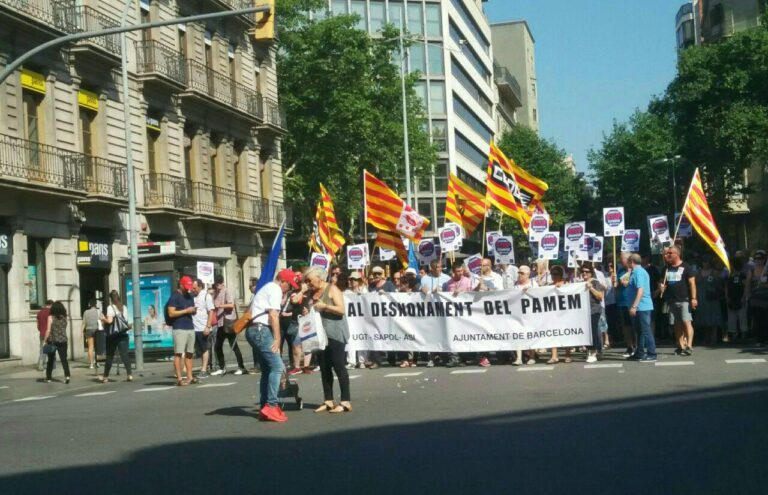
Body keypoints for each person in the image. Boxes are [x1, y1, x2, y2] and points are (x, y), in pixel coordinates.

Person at [245, 269, 296, 422]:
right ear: (283, 281)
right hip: (261, 330)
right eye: (290, 285)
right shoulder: (275, 289)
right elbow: (274, 314)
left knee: (267, 370)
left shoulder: (266, 287)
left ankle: (264, 406)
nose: (290, 288)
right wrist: (277, 338)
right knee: (277, 366)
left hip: (253, 330)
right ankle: (272, 405)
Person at [304, 267, 352, 414]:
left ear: (319, 277)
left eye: (309, 280)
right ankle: (328, 400)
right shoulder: (312, 292)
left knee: (338, 366)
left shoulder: (332, 289)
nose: (308, 283)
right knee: (324, 367)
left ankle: (345, 401)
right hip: (320, 335)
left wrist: (325, 306)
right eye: (306, 281)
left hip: (335, 333)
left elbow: (341, 309)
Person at [660, 245, 697, 355]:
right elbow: (662, 282)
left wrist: (693, 298)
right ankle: (680, 345)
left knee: (686, 321)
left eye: (670, 253)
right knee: (676, 324)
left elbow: (692, 283)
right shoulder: (666, 269)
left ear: (676, 254)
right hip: (671, 300)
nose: (667, 255)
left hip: (684, 299)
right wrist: (661, 287)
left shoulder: (686, 267)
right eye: (667, 253)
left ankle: (689, 345)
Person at [211, 275, 247, 376]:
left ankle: (241, 367)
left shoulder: (227, 291)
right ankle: (222, 367)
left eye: (218, 284)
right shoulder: (216, 293)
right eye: (215, 285)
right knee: (218, 346)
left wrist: (220, 306)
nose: (217, 286)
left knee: (234, 345)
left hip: (229, 321)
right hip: (220, 322)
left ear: (222, 283)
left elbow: (231, 305)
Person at [441, 260, 474, 368]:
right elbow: (445, 296)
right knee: (453, 335)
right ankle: (455, 358)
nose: (460, 273)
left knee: (464, 336)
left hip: (465, 313)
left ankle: (465, 358)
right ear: (453, 272)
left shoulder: (468, 281)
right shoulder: (449, 283)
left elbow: (473, 295)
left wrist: (462, 292)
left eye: (461, 271)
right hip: (453, 315)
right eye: (457, 271)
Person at [167, 275, 197, 386]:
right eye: (186, 286)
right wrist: (186, 311)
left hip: (190, 326)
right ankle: (179, 378)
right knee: (178, 353)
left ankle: (190, 376)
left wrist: (193, 311)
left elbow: (191, 310)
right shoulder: (174, 296)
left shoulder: (190, 296)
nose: (188, 288)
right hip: (179, 327)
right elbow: (171, 313)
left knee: (190, 353)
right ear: (180, 284)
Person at [365, 266, 396, 368]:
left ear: (382, 274)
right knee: (375, 337)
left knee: (390, 337)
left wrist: (386, 294)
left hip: (388, 317)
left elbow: (396, 297)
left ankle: (392, 359)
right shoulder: (371, 286)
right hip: (375, 317)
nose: (377, 276)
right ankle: (376, 361)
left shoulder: (389, 284)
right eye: (375, 274)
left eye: (379, 273)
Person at [475, 257, 504, 366]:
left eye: (484, 265)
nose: (481, 267)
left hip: (494, 310)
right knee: (483, 333)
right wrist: (478, 286)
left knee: (496, 332)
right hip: (480, 310)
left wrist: (486, 289)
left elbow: (500, 292)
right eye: (480, 265)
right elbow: (470, 293)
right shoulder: (476, 277)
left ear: (490, 266)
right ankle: (484, 356)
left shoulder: (497, 277)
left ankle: (500, 355)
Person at [627, 254, 656, 362]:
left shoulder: (638, 272)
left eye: (628, 261)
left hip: (642, 306)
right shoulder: (637, 272)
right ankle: (640, 352)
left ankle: (652, 353)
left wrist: (634, 306)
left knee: (645, 330)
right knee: (639, 331)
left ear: (632, 261)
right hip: (640, 306)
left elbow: (640, 290)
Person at [99, 290, 133, 383]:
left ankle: (105, 377)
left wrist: (103, 319)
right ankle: (129, 374)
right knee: (124, 355)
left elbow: (109, 321)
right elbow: (126, 321)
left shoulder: (111, 307)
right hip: (123, 334)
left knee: (110, 356)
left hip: (113, 336)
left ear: (111, 299)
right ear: (118, 297)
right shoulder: (124, 307)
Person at [282, 272, 310, 376]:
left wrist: (309, 309)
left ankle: (306, 366)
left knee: (308, 345)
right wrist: (302, 291)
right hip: (296, 322)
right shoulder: (293, 292)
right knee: (296, 345)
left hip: (307, 321)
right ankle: (297, 366)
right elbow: (294, 300)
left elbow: (312, 303)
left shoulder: (309, 291)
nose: (298, 282)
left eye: (300, 280)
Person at [694, 258, 723, 345]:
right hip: (701, 298)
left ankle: (714, 338)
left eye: (707, 261)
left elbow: (720, 285)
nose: (705, 263)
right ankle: (705, 338)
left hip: (712, 298)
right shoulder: (697, 273)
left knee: (714, 318)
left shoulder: (715, 273)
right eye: (704, 261)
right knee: (703, 319)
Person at [513, 265, 538, 365]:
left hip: (531, 314)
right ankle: (519, 358)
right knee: (518, 334)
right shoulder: (515, 285)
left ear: (528, 274)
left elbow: (539, 296)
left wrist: (529, 292)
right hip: (518, 314)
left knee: (531, 334)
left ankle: (532, 356)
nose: (519, 275)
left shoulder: (533, 283)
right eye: (519, 272)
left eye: (522, 273)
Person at [547, 266, 572, 364]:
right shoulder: (549, 286)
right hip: (553, 313)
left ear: (561, 275)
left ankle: (568, 354)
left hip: (565, 313)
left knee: (566, 333)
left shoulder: (567, 284)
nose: (554, 276)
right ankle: (554, 356)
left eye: (556, 274)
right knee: (553, 333)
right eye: (552, 274)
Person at [191, 279, 215, 378]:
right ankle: (203, 367)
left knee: (204, 348)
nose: (193, 290)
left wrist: (208, 326)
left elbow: (211, 311)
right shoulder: (192, 296)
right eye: (192, 288)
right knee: (198, 349)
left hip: (203, 327)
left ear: (200, 286)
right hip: (193, 327)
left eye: (195, 288)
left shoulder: (206, 296)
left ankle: (204, 369)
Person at [581, 265, 606, 363]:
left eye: (587, 271)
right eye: (582, 271)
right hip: (583, 312)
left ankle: (594, 351)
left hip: (594, 310)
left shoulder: (595, 282)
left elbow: (600, 296)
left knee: (594, 331)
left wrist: (591, 288)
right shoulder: (580, 283)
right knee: (587, 332)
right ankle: (591, 350)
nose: (584, 273)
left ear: (591, 272)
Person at [43, 301, 70, 384]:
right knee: (64, 359)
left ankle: (48, 377)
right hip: (63, 340)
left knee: (50, 360)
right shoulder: (65, 317)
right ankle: (67, 376)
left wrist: (45, 340)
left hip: (52, 341)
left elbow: (48, 330)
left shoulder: (50, 317)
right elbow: (64, 328)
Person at [725, 254, 750, 343]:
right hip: (731, 299)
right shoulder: (729, 276)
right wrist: (727, 297)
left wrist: (744, 297)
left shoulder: (742, 275)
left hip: (740, 298)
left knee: (742, 317)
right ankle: (732, 334)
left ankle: (743, 334)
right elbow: (727, 287)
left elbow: (746, 287)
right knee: (731, 318)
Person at [614, 252, 635, 357]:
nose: (620, 261)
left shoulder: (634, 271)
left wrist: (625, 279)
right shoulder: (620, 271)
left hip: (632, 302)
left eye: (622, 259)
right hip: (622, 302)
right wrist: (615, 283)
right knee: (626, 326)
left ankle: (638, 346)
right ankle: (629, 346)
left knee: (634, 325)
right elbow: (618, 286)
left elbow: (628, 284)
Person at [749, 250, 768, 346]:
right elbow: (748, 284)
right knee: (757, 320)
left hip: (766, 298)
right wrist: (746, 296)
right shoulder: (752, 270)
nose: (758, 260)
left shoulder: (766, 269)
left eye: (760, 258)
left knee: (766, 319)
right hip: (755, 298)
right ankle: (760, 339)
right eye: (756, 259)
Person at [82, 299, 101, 369]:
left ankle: (91, 364)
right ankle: (97, 362)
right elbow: (102, 320)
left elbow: (84, 323)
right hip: (97, 330)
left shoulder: (86, 312)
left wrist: (81, 332)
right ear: (95, 305)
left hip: (89, 330)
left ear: (89, 305)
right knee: (98, 347)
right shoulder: (99, 311)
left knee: (90, 347)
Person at [36, 299, 53, 372]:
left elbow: (37, 325)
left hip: (42, 333)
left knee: (42, 349)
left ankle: (40, 364)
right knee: (49, 350)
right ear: (51, 305)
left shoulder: (39, 312)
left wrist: (41, 330)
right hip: (49, 334)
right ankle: (42, 365)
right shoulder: (51, 313)